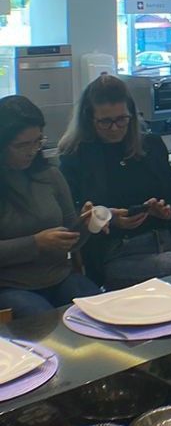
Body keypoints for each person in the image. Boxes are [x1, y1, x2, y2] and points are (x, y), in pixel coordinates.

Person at [59, 75, 171, 289]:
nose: (115, 128)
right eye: (105, 121)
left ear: (132, 116)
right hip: (115, 254)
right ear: (89, 119)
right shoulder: (76, 157)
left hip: (165, 243)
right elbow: (72, 219)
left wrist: (166, 211)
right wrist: (108, 219)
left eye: (122, 119)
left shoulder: (150, 146)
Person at [0, 96, 100, 318]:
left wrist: (86, 224)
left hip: (60, 277)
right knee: (45, 321)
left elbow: (71, 242)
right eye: (22, 145)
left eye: (37, 142)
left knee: (100, 310)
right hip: (10, 286)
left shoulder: (50, 175)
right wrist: (35, 243)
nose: (32, 151)